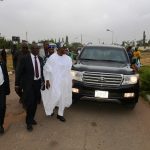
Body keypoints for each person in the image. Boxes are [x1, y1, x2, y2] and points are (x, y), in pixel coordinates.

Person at [15, 44, 44, 131]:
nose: (37, 50)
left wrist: (44, 81)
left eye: (38, 49)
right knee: (30, 103)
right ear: (31, 49)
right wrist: (17, 84)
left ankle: (32, 118)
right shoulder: (25, 59)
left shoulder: (40, 59)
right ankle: (28, 122)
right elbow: (19, 71)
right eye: (35, 49)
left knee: (35, 103)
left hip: (37, 83)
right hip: (28, 84)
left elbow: (42, 71)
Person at [41, 42, 72, 122]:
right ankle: (49, 110)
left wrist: (70, 81)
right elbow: (46, 69)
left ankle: (60, 114)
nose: (65, 49)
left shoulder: (68, 59)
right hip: (54, 81)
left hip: (64, 82)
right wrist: (47, 80)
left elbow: (68, 71)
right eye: (63, 48)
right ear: (58, 48)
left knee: (62, 98)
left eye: (65, 48)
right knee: (53, 96)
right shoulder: (52, 58)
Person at [0, 52, 10, 134]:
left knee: (2, 107)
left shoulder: (3, 64)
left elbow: (6, 75)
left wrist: (8, 89)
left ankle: (0, 124)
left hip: (2, 87)